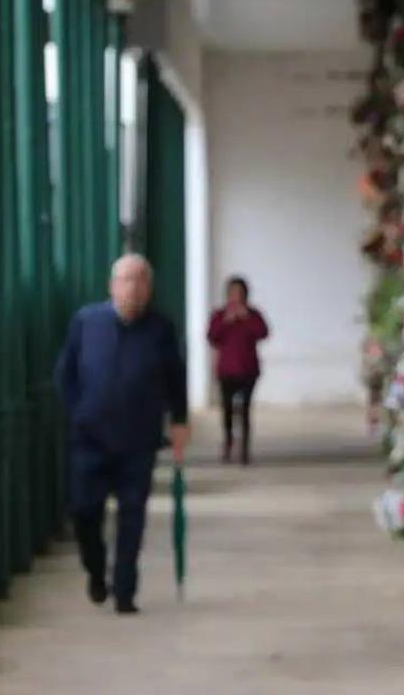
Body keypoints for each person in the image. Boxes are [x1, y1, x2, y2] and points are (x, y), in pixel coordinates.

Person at [57, 253, 190, 615]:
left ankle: (126, 589)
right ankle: (96, 570)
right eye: (126, 280)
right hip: (91, 439)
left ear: (149, 288)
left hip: (138, 440)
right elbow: (65, 374)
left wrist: (179, 421)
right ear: (112, 286)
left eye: (141, 280)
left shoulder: (161, 329)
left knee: (133, 515)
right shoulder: (86, 322)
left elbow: (176, 378)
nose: (133, 288)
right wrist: (78, 412)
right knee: (84, 512)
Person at [207, 276, 270, 465]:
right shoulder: (220, 315)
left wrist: (246, 318)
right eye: (232, 293)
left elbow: (263, 333)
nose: (235, 297)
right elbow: (212, 336)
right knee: (227, 409)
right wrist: (226, 321)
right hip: (226, 371)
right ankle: (228, 442)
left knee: (244, 410)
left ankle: (244, 450)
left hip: (248, 370)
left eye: (239, 294)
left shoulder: (253, 314)